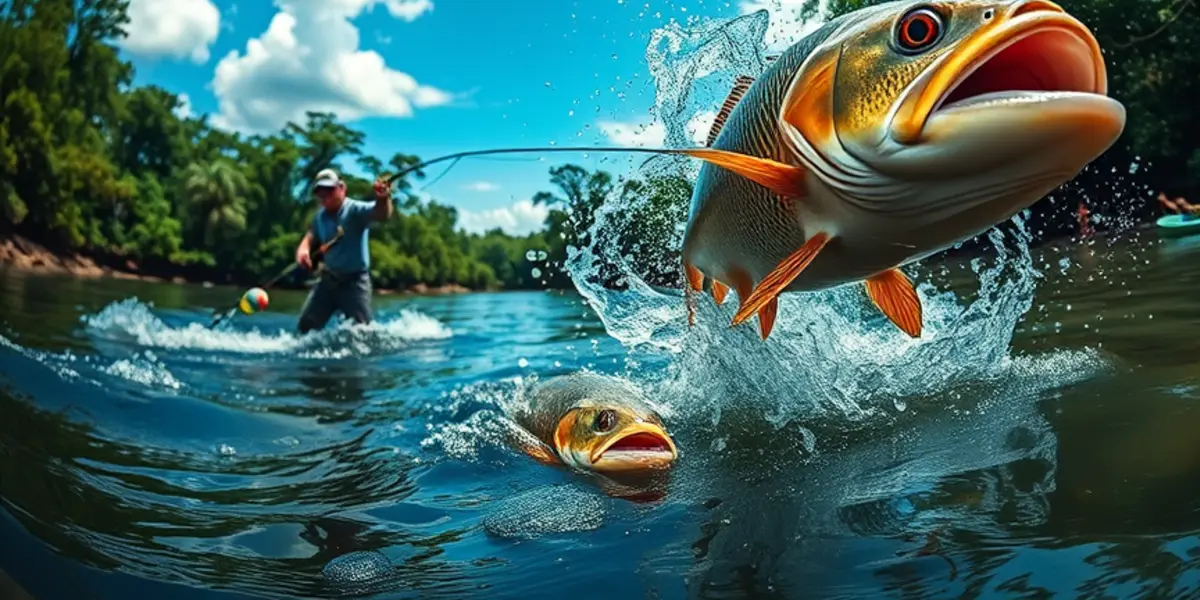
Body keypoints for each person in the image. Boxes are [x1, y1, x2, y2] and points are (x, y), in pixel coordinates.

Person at [295, 168, 393, 334]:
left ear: (342, 188)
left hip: (355, 283)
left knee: (362, 333)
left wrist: (383, 198)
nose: (325, 195)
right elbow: (312, 233)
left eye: (329, 189)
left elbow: (381, 214)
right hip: (327, 281)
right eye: (320, 191)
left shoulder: (355, 210)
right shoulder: (320, 216)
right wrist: (303, 249)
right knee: (305, 327)